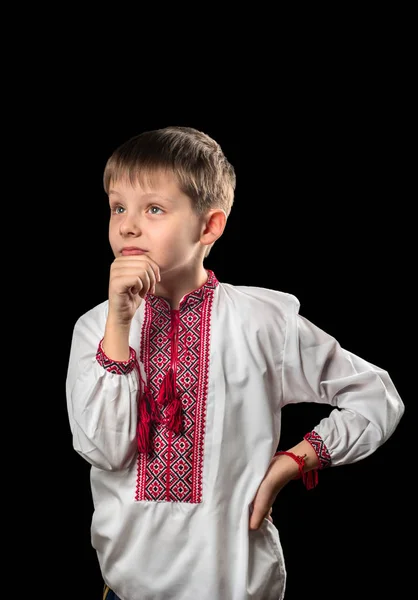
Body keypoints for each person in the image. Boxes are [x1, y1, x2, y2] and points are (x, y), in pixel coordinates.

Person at [65, 125, 405, 600]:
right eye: (118, 207)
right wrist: (119, 324)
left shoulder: (263, 323)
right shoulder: (96, 328)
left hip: (237, 588)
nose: (127, 225)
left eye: (154, 209)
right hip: (126, 589)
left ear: (209, 226)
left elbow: (376, 397)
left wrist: (290, 463)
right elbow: (102, 450)